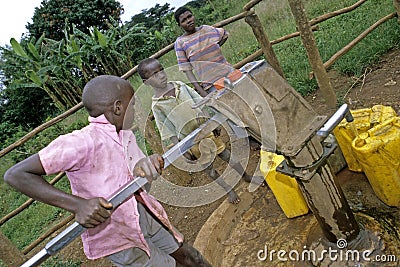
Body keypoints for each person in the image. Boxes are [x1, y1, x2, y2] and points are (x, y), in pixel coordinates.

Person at [4, 75, 211, 267]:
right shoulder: (81, 142)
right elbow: (16, 175)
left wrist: (148, 165)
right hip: (118, 235)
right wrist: (78, 205)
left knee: (191, 257)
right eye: (134, 105)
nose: (137, 110)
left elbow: (139, 178)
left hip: (144, 215)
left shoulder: (126, 136)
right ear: (118, 108)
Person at [138, 58, 262, 204]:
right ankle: (229, 190)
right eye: (154, 75)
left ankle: (245, 176)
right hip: (191, 143)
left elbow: (200, 103)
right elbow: (168, 130)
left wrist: (212, 123)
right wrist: (182, 149)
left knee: (228, 155)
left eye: (161, 70)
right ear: (146, 82)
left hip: (205, 131)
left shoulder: (181, 86)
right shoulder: (157, 106)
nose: (161, 75)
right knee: (210, 170)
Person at [174, 6, 242, 97]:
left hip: (230, 74)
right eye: (184, 20)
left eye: (190, 16)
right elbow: (187, 71)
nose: (188, 21)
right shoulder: (180, 43)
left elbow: (224, 34)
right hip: (212, 85)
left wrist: (214, 47)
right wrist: (202, 93)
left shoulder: (206, 29)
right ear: (179, 25)